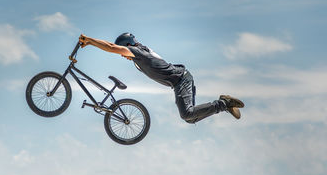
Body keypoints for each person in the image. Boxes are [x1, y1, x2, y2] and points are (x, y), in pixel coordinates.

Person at [78, 33, 244, 123]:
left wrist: (90, 41)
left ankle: (224, 103)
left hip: (181, 80)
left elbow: (112, 47)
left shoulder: (138, 52)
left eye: (123, 51)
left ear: (128, 45)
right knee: (190, 119)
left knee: (187, 114)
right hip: (180, 80)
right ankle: (223, 104)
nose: (122, 55)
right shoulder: (140, 54)